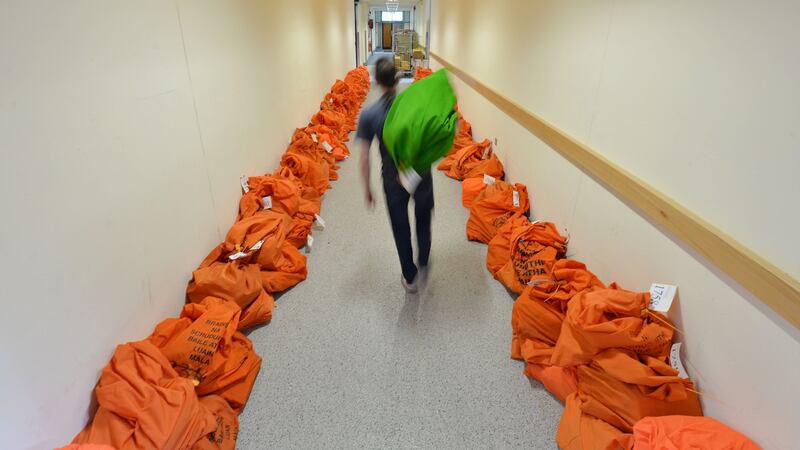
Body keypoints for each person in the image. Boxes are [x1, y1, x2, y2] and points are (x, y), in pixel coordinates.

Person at [356, 57, 434, 294]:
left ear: (376, 81)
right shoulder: (415, 106)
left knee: (400, 226)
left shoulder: (369, 115)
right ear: (398, 79)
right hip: (420, 174)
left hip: (392, 179)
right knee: (423, 216)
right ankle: (423, 260)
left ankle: (410, 277)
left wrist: (368, 189)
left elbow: (364, 158)